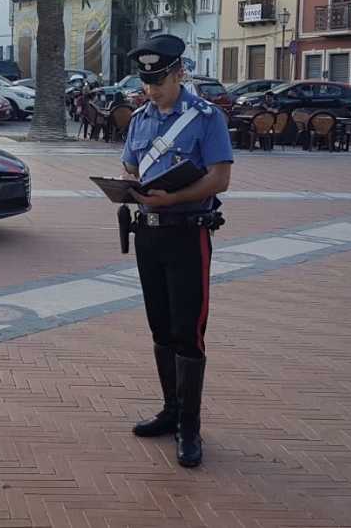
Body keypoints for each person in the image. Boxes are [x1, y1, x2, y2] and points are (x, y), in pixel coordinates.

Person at [119, 34, 233, 468]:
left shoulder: (206, 118)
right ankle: (169, 411)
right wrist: (130, 179)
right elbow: (129, 162)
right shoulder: (140, 119)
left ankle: (190, 425)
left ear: (179, 73)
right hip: (148, 233)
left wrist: (171, 197)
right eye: (147, 81)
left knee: (188, 330)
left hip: (187, 233)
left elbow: (219, 179)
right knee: (160, 328)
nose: (152, 89)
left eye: (159, 80)